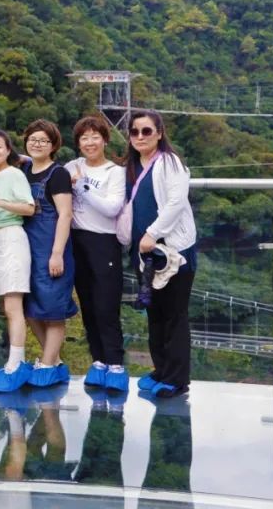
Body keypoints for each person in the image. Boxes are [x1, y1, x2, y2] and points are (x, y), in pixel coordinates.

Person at [121, 109, 197, 398]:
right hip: (145, 254)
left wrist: (152, 233)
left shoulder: (169, 162)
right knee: (154, 313)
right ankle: (161, 370)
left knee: (174, 314)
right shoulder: (130, 166)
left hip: (174, 251)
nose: (140, 136)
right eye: (134, 131)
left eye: (146, 131)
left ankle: (176, 379)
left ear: (159, 133)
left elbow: (176, 202)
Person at [65, 115, 128, 393]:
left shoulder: (115, 172)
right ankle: (99, 361)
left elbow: (112, 208)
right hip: (77, 241)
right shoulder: (72, 166)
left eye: (95, 137)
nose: (89, 142)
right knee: (88, 305)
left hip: (104, 242)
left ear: (105, 140)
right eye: (84, 137)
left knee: (106, 305)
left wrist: (82, 186)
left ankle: (116, 364)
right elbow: (42, 168)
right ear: (78, 142)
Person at [20, 119, 78, 387]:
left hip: (52, 246)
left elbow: (65, 214)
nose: (37, 144)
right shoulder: (24, 169)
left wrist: (57, 253)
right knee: (30, 308)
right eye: (33, 139)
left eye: (43, 140)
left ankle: (46, 365)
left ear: (53, 145)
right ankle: (54, 362)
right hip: (27, 247)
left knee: (53, 310)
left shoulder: (58, 174)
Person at [0, 128, 36, 393]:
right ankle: (12, 362)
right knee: (5, 305)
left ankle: (16, 364)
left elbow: (29, 207)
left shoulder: (14, 174)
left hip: (12, 237)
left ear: (8, 149)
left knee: (14, 305)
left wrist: (0, 202)